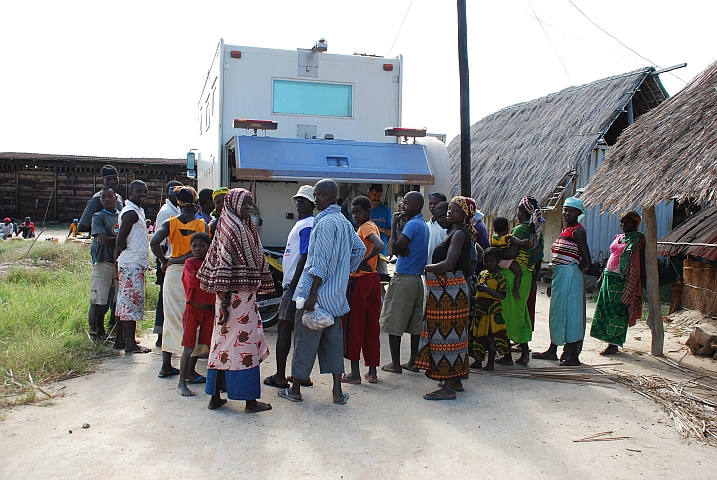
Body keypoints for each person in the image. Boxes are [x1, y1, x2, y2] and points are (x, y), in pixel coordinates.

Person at [278, 179, 365, 404]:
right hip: (335, 298)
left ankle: (295, 390)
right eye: (315, 195)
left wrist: (313, 292)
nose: (317, 199)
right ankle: (337, 393)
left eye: (321, 196)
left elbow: (320, 261)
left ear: (333, 196)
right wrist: (343, 272)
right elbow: (360, 250)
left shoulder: (324, 223)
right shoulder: (345, 222)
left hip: (314, 297)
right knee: (334, 345)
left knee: (304, 342)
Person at [196, 188, 273, 413]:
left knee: (221, 346)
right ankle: (249, 400)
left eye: (250, 203)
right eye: (245, 203)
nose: (249, 208)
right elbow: (223, 266)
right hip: (235, 299)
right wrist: (223, 301)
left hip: (235, 298)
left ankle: (215, 396)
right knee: (244, 345)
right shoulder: (235, 228)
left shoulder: (234, 225)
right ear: (234, 203)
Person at [415, 196, 473, 400]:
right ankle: (455, 380)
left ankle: (448, 387)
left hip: (450, 291)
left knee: (446, 336)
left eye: (455, 210)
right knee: (455, 335)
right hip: (454, 289)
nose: (450, 212)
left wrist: (426, 267)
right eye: (449, 208)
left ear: (465, 214)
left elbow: (449, 264)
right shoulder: (456, 232)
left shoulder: (458, 234)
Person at [150, 187, 207, 379]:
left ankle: (166, 365)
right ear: (196, 201)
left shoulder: (170, 222)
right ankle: (189, 370)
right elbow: (200, 251)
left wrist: (165, 261)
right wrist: (176, 260)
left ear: (178, 203)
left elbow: (154, 243)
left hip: (173, 275)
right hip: (193, 272)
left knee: (172, 318)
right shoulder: (201, 225)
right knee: (193, 320)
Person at [264, 185, 315, 390]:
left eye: (303, 199)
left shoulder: (307, 225)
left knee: (285, 329)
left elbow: (304, 255)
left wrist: (292, 286)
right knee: (297, 332)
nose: (298, 201)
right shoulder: (303, 224)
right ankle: (299, 375)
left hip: (295, 286)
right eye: (297, 198)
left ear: (312, 203)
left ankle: (280, 376)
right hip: (295, 285)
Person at [533, 197, 591, 366]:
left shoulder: (578, 231)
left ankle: (573, 355)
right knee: (558, 313)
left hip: (570, 274)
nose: (566, 213)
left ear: (579, 213)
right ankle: (553, 350)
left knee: (571, 314)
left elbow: (586, 259)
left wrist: (573, 271)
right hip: (560, 275)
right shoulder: (566, 230)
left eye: (571, 211)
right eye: (565, 209)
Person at [379, 191, 429, 374]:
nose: (402, 206)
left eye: (406, 203)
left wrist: (393, 225)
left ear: (416, 206)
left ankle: (395, 363)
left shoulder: (412, 225)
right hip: (417, 280)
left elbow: (394, 248)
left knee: (395, 321)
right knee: (415, 324)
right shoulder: (423, 225)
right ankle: (413, 360)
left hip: (404, 278)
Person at [590, 211, 646, 355]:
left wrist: (642, 283)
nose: (623, 224)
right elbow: (612, 256)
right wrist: (602, 276)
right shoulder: (619, 237)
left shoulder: (639, 240)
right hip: (609, 278)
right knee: (605, 310)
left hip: (623, 281)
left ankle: (613, 344)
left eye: (626, 222)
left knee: (618, 312)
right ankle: (607, 340)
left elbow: (641, 262)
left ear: (635, 223)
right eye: (621, 222)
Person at [342, 195, 384, 384]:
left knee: (353, 326)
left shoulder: (365, 227)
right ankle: (372, 372)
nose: (355, 216)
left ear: (368, 212)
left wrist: (362, 261)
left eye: (358, 212)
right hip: (373, 279)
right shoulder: (373, 226)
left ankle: (355, 373)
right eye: (353, 213)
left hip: (359, 281)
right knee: (371, 326)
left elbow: (380, 245)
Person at [497, 197, 544, 366]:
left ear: (523, 212)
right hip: (526, 275)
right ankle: (523, 352)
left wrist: (492, 254)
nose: (516, 214)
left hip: (515, 274)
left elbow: (510, 253)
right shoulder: (534, 229)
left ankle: (510, 354)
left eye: (518, 211)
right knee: (519, 311)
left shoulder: (520, 230)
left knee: (510, 313)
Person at [114, 180, 151, 354]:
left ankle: (120, 340)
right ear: (130, 192)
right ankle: (130, 344)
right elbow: (120, 240)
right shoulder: (131, 213)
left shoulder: (137, 211)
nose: (142, 194)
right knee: (131, 304)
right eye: (138, 192)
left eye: (144, 192)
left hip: (132, 262)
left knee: (123, 303)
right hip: (131, 262)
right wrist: (119, 258)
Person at [177, 232, 214, 396]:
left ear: (209, 247)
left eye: (202, 246)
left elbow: (217, 281)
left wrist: (208, 280)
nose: (198, 249)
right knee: (188, 347)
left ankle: (215, 381)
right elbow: (193, 282)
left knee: (209, 346)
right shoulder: (189, 262)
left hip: (210, 311)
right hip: (192, 311)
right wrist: (209, 280)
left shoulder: (212, 263)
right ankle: (181, 383)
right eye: (194, 246)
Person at [152, 181, 183, 348]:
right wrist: (163, 263)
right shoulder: (167, 213)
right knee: (164, 300)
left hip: (171, 260)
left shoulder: (175, 210)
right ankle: (160, 336)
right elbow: (161, 242)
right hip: (167, 260)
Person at [470, 247, 508, 371]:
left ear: (498, 261)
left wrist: (486, 289)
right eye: (486, 261)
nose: (487, 264)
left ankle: (490, 362)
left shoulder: (500, 277)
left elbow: (501, 295)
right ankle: (478, 360)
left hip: (492, 312)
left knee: (491, 337)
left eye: (491, 261)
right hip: (480, 310)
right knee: (478, 335)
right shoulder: (482, 274)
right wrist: (477, 297)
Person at [88, 188, 120, 338]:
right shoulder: (98, 217)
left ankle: (115, 329)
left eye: (110, 196)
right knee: (99, 298)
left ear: (116, 198)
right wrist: (119, 241)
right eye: (104, 197)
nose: (107, 199)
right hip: (103, 260)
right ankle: (96, 331)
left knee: (117, 298)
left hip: (118, 262)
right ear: (100, 200)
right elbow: (103, 240)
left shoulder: (120, 216)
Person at [491, 216, 530, 300]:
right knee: (519, 274)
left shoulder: (493, 238)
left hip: (498, 262)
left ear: (494, 230)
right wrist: (527, 240)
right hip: (508, 262)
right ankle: (515, 291)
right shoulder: (508, 238)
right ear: (507, 229)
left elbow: (492, 249)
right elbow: (520, 242)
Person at [77, 164, 123, 234]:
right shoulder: (97, 199)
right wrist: (100, 228)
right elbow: (82, 226)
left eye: (115, 179)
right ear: (102, 181)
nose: (113, 182)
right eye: (109, 179)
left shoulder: (119, 197)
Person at [367, 184, 391, 277]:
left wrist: (382, 230)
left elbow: (392, 231)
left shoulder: (385, 211)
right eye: (374, 195)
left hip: (381, 254)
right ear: (369, 194)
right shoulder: (362, 210)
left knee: (382, 280)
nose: (377, 198)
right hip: (365, 254)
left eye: (379, 196)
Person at [426, 192, 447, 260]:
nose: (432, 206)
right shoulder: (427, 225)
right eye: (430, 203)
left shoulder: (447, 226)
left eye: (436, 203)